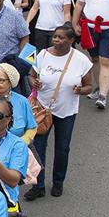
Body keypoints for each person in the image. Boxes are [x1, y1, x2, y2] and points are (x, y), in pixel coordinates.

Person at [25, 25, 93, 200]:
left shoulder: (81, 60)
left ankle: (58, 182)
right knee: (38, 147)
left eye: (61, 38)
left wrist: (81, 89)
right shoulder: (43, 55)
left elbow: (89, 86)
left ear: (71, 40)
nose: (56, 40)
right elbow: (31, 75)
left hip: (66, 111)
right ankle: (38, 185)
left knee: (62, 148)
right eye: (55, 37)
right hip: (42, 109)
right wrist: (34, 82)